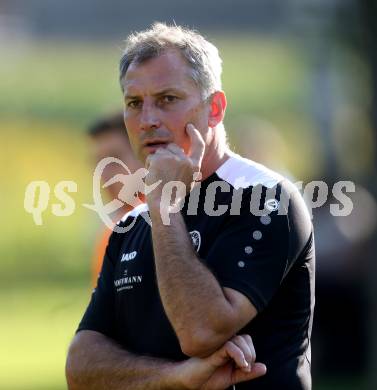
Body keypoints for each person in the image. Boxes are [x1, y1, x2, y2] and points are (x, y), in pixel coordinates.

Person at [66, 22, 315, 390]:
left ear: (214, 108)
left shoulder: (265, 197)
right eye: (134, 103)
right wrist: (175, 377)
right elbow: (80, 367)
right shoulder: (132, 222)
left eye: (167, 99)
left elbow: (200, 332)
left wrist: (165, 207)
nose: (148, 120)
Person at [87, 112, 143, 287]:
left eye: (115, 159)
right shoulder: (113, 229)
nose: (104, 174)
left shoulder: (171, 218)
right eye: (99, 163)